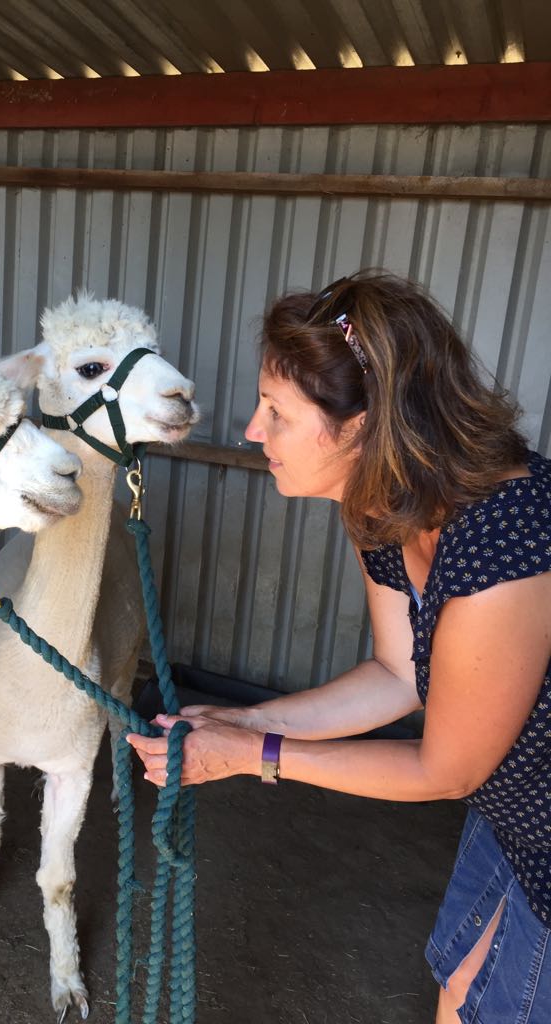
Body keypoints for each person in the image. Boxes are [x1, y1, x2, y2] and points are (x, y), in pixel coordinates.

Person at [126, 270, 551, 1023]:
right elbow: (398, 675)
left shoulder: (503, 555)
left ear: (359, 428)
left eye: (277, 412)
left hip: (532, 813)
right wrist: (248, 723)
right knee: (461, 985)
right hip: (514, 810)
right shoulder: (382, 507)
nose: (254, 432)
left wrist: (253, 757)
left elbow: (444, 768)